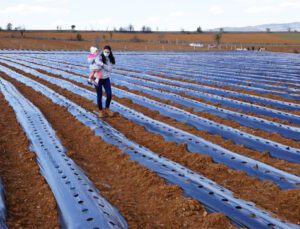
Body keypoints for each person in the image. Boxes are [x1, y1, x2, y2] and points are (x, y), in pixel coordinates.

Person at [95, 45, 116, 118]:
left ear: (110, 52)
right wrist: (100, 64)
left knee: (109, 94)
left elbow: (109, 69)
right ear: (103, 51)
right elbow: (96, 62)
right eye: (105, 51)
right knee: (99, 95)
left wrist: (102, 64)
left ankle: (107, 109)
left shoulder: (111, 59)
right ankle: (100, 111)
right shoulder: (99, 57)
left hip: (106, 79)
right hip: (98, 79)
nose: (106, 53)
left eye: (108, 52)